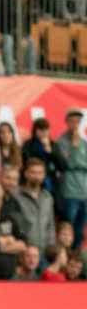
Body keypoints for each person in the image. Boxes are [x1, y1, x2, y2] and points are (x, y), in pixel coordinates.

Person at [54, 108, 87, 251]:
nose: (75, 124)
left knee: (79, 232)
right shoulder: (61, 142)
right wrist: (74, 146)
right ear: (67, 122)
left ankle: (75, 258)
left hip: (82, 193)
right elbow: (66, 164)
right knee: (67, 229)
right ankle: (63, 256)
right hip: (68, 192)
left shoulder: (84, 142)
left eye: (78, 121)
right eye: (72, 121)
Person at [12, 158, 56, 253]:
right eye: (33, 172)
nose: (36, 176)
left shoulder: (47, 197)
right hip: (24, 251)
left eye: (40, 173)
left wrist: (51, 249)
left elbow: (50, 226)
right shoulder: (15, 195)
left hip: (44, 252)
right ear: (26, 174)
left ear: (44, 175)